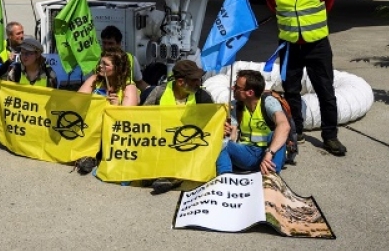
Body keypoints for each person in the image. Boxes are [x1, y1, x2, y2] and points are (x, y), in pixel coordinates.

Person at [264, 0, 346, 156]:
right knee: (291, 91)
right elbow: (273, 7)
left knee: (326, 91)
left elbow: (328, 1)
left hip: (317, 45)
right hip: (290, 46)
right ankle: (296, 131)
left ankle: (330, 136)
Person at [143, 59, 214, 194]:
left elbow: (212, 123)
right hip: (160, 142)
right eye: (194, 80)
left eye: (199, 79)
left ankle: (169, 178)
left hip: (189, 144)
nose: (199, 83)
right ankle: (163, 177)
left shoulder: (203, 96)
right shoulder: (159, 92)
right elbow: (143, 118)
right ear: (181, 82)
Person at [217, 70, 289, 175]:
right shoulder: (235, 106)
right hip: (247, 153)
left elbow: (284, 125)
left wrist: (269, 153)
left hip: (268, 153)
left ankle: (272, 177)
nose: (233, 89)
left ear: (250, 93)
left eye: (237, 87)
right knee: (222, 144)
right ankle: (226, 178)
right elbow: (232, 137)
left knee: (276, 133)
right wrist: (227, 133)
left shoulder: (268, 102)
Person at [100, 25, 149, 92]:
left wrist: (153, 91)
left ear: (119, 44)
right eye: (104, 43)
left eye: (110, 43)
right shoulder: (97, 60)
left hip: (127, 98)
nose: (107, 46)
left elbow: (139, 83)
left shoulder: (131, 59)